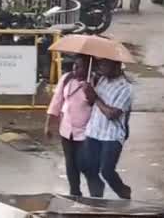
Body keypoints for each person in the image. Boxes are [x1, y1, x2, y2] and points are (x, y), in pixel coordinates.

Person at [81, 58, 133, 199]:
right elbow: (92, 103)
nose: (100, 67)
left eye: (104, 64)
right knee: (89, 168)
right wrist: (88, 93)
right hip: (94, 131)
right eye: (100, 63)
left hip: (111, 136)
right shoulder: (103, 79)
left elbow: (112, 114)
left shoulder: (125, 87)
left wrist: (95, 97)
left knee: (107, 171)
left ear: (116, 65)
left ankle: (124, 192)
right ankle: (96, 199)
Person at [47, 56, 93, 197]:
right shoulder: (66, 78)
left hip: (86, 131)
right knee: (70, 162)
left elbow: (95, 103)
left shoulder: (94, 81)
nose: (75, 69)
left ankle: (96, 193)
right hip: (66, 129)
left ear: (87, 68)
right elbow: (57, 101)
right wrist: (48, 124)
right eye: (74, 65)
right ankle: (75, 192)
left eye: (79, 66)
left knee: (84, 164)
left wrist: (88, 90)